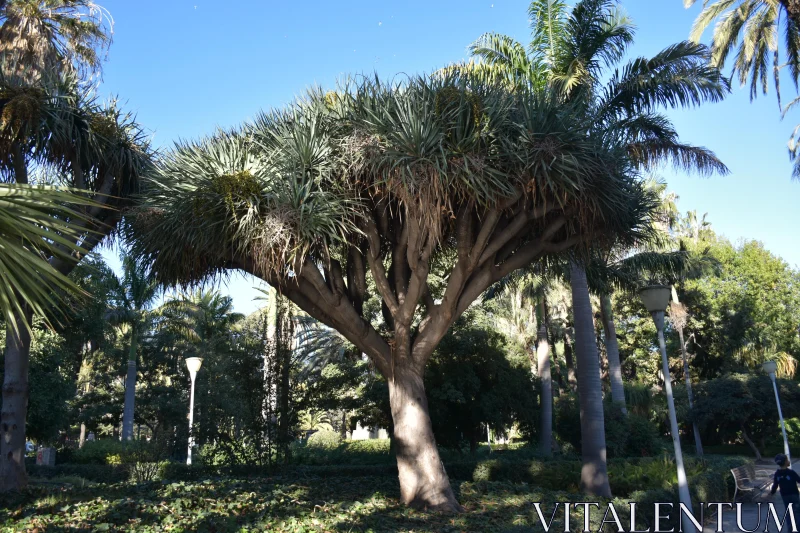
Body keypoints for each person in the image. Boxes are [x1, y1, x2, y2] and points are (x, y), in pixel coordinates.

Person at [771, 454, 800, 527]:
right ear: (785, 462)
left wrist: (772, 493)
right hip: (794, 494)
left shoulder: (777, 474)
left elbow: (775, 485)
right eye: (787, 460)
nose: (789, 461)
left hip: (784, 495)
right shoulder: (791, 472)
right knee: (797, 511)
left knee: (788, 511)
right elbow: (799, 480)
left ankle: (790, 528)